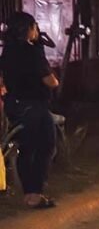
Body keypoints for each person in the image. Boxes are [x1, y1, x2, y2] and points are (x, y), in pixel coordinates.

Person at [0, 12, 59, 208]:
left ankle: (29, 194)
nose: (37, 31)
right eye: (35, 26)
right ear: (28, 29)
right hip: (35, 106)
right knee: (46, 146)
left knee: (27, 149)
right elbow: (50, 81)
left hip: (15, 106)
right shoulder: (32, 52)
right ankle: (35, 193)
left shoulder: (7, 52)